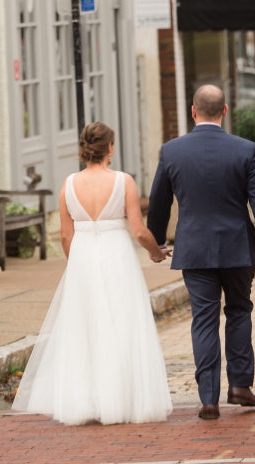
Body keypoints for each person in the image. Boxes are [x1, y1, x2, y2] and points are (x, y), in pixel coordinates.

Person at [11, 122, 174, 425]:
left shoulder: (69, 184)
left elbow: (64, 235)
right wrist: (155, 251)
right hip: (116, 255)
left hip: (83, 256)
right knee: (122, 322)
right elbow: (139, 230)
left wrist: (78, 263)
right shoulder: (124, 181)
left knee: (86, 328)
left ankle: (87, 400)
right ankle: (123, 399)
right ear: (110, 148)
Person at [147, 84, 255, 420]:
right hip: (237, 247)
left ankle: (209, 398)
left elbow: (159, 201)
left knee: (203, 319)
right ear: (224, 111)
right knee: (238, 312)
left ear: (193, 111)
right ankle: (240, 386)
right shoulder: (245, 150)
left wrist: (158, 241)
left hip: (194, 248)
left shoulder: (172, 151)